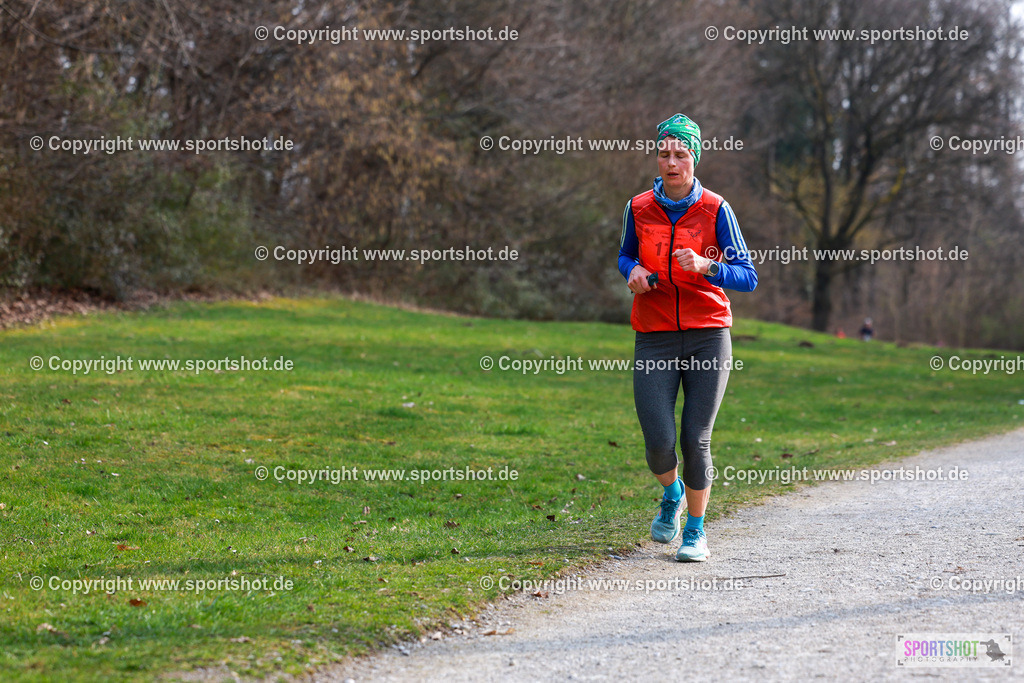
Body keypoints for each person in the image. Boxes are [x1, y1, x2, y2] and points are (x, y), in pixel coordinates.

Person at [617, 113, 757, 562]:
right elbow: (623, 255)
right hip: (654, 335)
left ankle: (695, 532)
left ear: (694, 158)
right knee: (658, 442)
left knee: (695, 438)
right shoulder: (638, 207)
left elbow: (747, 276)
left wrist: (707, 266)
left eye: (680, 154)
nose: (671, 162)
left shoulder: (716, 209)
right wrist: (633, 271)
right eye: (664, 153)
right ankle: (672, 493)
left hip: (707, 335)